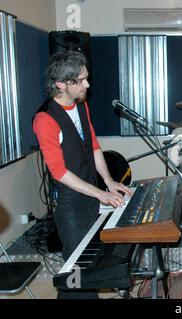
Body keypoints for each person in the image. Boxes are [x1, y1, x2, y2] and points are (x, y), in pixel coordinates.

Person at [33, 50, 132, 298]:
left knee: (90, 266)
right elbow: (58, 172)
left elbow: (94, 146)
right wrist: (100, 193)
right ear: (61, 85)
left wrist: (109, 182)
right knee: (75, 271)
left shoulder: (81, 105)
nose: (87, 84)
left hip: (90, 195)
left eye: (86, 77)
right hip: (70, 204)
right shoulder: (45, 119)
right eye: (80, 80)